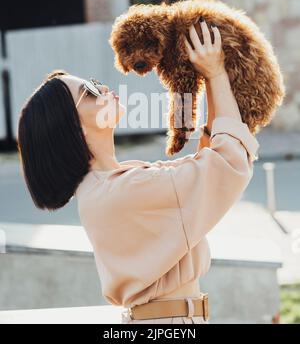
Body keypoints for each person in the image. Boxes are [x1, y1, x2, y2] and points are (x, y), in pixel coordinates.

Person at [17, 19, 259, 324]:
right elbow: (228, 165)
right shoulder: (124, 190)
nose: (102, 87)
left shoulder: (111, 185)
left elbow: (205, 170)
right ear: (74, 129)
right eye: (90, 91)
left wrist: (208, 77)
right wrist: (215, 72)